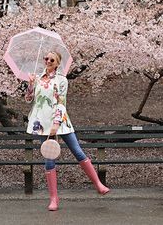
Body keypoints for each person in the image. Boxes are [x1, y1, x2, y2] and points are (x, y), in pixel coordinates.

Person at [25, 51, 109, 211]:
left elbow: (61, 103)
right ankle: (54, 199)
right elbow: (29, 99)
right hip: (42, 123)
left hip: (60, 121)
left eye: (52, 59)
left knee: (77, 151)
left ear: (57, 63)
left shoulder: (61, 80)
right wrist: (30, 84)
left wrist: (56, 122)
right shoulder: (37, 78)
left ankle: (98, 184)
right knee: (49, 157)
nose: (48, 61)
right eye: (46, 58)